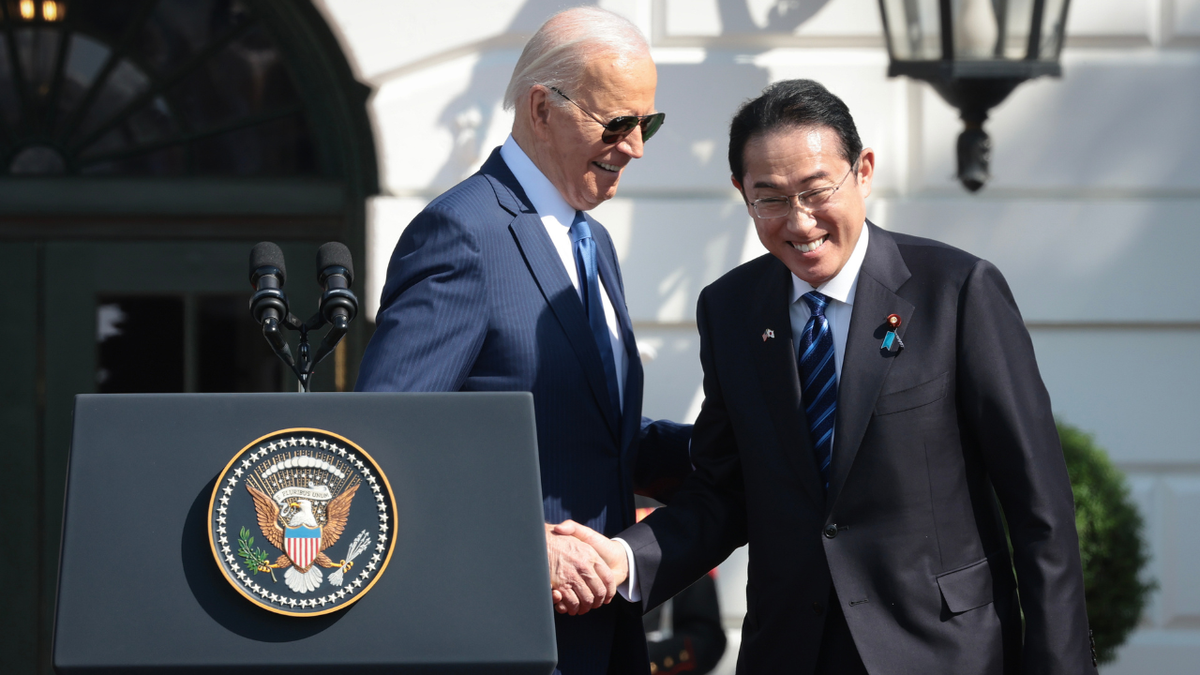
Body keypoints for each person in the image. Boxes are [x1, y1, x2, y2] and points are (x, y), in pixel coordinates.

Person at [557, 79, 1098, 674]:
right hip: (790, 651)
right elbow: (725, 490)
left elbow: (1039, 510)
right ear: (741, 193)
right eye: (770, 198)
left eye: (817, 191)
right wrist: (623, 561)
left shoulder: (958, 292)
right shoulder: (731, 308)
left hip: (941, 653)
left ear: (863, 171)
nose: (800, 221)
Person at [354, 8, 691, 675]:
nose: (635, 147)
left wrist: (734, 442)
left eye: (646, 123)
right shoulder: (462, 234)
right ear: (542, 108)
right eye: (617, 123)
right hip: (499, 634)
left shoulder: (590, 241)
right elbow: (380, 440)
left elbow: (595, 434)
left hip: (601, 635)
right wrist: (522, 543)